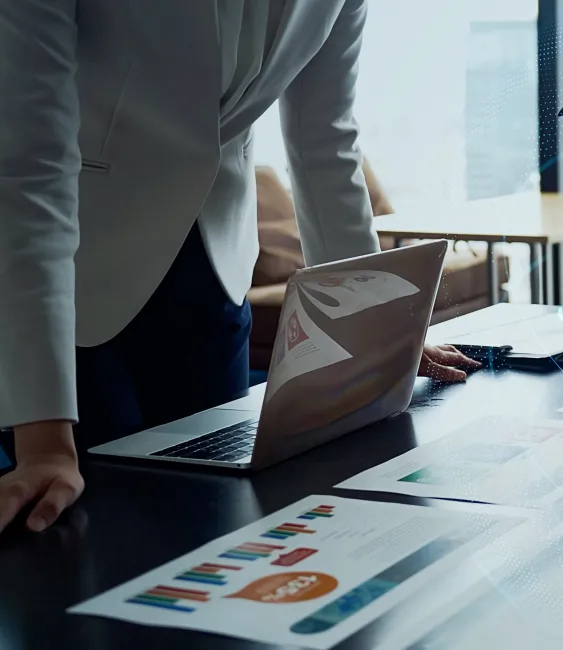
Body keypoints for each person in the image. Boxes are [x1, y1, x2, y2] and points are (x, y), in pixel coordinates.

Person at [0, 0, 479, 535]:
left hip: (218, 268)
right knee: (91, 537)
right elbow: (27, 163)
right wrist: (41, 438)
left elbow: (326, 138)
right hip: (63, 272)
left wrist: (380, 332)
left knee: (220, 521)